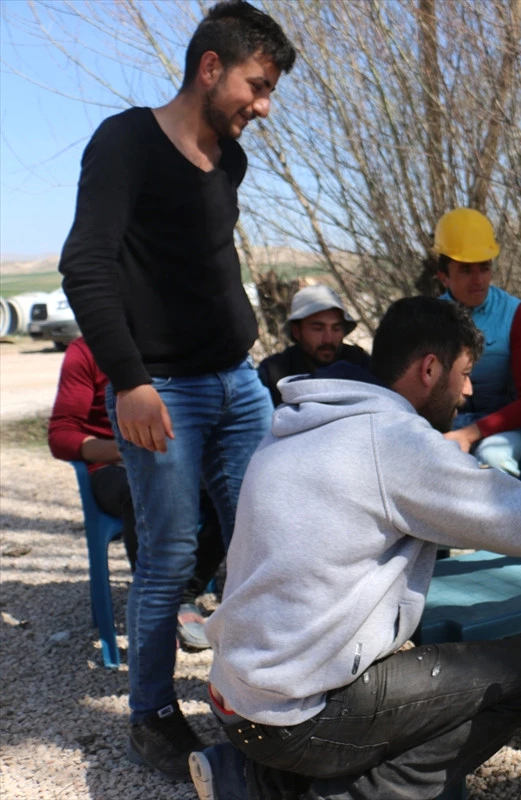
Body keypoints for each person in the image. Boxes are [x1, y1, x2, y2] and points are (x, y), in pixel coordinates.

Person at [188, 296, 521, 800]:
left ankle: (253, 779)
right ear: (430, 368)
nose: (469, 390)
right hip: (296, 714)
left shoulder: (298, 424)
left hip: (235, 693)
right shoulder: (393, 441)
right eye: (465, 372)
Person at [56, 0, 296, 781]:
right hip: (163, 390)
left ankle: (254, 694)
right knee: (167, 557)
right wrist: (130, 382)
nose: (262, 107)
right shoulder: (125, 143)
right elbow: (85, 265)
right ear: (209, 67)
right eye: (257, 87)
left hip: (237, 383)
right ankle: (152, 714)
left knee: (268, 536)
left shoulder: (230, 164)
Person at [48, 336, 227, 649]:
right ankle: (157, 609)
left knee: (228, 493)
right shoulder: (86, 352)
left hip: (177, 460)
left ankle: (187, 592)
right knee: (142, 492)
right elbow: (61, 435)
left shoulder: (177, 341)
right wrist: (122, 449)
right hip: (112, 468)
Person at [434, 208, 521, 477]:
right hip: (447, 425)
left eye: (484, 268)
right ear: (444, 276)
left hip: (504, 427)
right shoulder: (432, 318)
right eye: (465, 270)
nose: (478, 279)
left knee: (493, 460)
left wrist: (471, 434)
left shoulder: (513, 313)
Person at [257, 284, 370, 406]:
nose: (328, 339)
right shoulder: (273, 372)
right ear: (296, 331)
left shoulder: (360, 363)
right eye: (318, 329)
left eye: (336, 328)